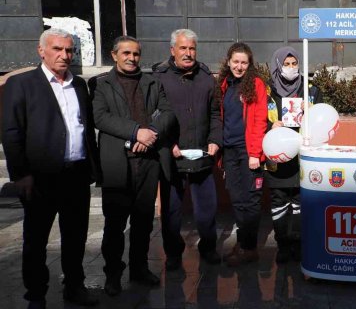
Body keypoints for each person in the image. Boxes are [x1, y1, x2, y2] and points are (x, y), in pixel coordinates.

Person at [2, 28, 100, 308]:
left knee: (75, 236)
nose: (64, 55)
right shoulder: (21, 84)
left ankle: (74, 286)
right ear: (41, 51)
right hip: (40, 178)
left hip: (76, 175)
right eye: (57, 49)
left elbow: (85, 126)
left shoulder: (79, 84)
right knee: (35, 241)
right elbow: (11, 132)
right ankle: (36, 295)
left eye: (69, 50)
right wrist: (21, 175)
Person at [90, 36, 176, 296]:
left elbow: (168, 113)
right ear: (114, 55)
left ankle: (139, 268)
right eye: (126, 53)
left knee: (143, 221)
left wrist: (149, 134)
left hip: (148, 161)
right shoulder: (100, 83)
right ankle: (113, 274)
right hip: (117, 163)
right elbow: (100, 117)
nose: (131, 58)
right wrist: (135, 132)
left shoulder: (152, 82)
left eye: (136, 53)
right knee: (115, 224)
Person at [153, 29, 222, 270]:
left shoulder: (206, 77)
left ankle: (209, 247)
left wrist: (215, 139)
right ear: (172, 50)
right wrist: (167, 143)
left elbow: (215, 113)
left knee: (207, 211)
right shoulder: (159, 77)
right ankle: (173, 253)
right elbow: (154, 116)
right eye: (183, 48)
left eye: (192, 48)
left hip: (202, 155)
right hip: (172, 157)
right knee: (171, 213)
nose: (188, 53)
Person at [265, 46, 322, 263]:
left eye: (294, 63)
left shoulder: (311, 91)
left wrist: (311, 114)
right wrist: (272, 125)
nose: (291, 68)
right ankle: (282, 245)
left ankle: (298, 245)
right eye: (286, 64)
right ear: (278, 66)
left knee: (300, 202)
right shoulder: (268, 92)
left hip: (303, 159)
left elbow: (321, 123)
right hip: (277, 160)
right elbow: (256, 121)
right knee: (279, 202)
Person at [218, 42, 268, 266]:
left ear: (250, 65)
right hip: (229, 151)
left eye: (243, 63)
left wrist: (255, 153)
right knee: (237, 199)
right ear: (228, 62)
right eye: (235, 62)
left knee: (251, 201)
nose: (239, 66)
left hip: (249, 152)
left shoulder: (255, 85)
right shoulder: (223, 85)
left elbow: (260, 121)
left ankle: (250, 248)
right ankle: (243, 244)